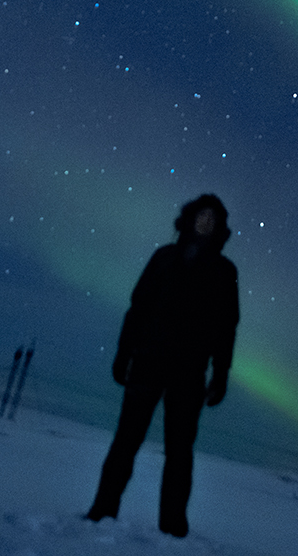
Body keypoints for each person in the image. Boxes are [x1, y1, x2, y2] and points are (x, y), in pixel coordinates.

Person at [86, 193, 240, 538]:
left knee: (179, 453)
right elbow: (137, 308)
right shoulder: (164, 258)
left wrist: (221, 374)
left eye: (213, 219)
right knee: (125, 442)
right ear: (188, 219)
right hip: (148, 363)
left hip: (189, 373)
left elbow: (226, 328)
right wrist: (123, 354)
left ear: (220, 227)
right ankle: (102, 510)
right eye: (202, 215)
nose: (206, 222)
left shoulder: (225, 271)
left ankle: (173, 528)